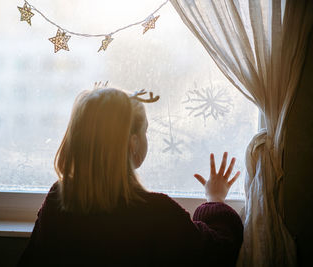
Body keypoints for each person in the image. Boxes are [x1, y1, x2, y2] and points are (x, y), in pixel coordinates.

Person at [17, 88, 243, 266]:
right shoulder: (158, 213)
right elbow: (219, 253)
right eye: (145, 130)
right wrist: (214, 200)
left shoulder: (59, 199)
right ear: (133, 142)